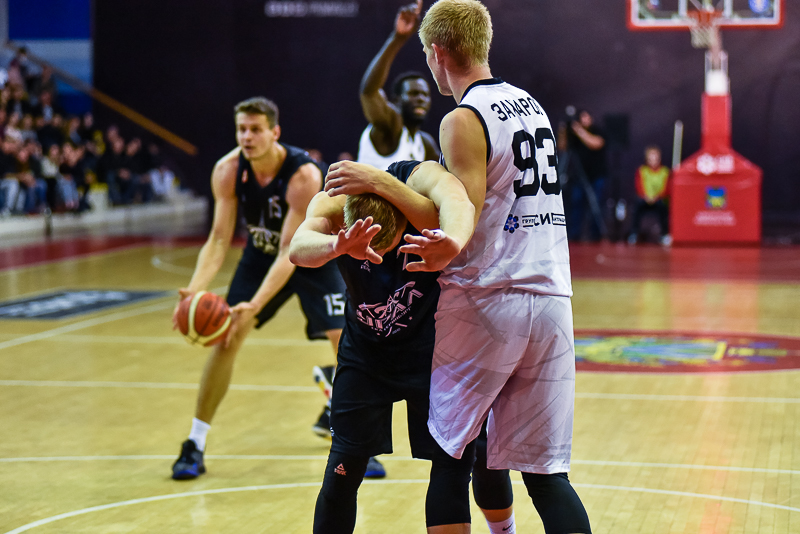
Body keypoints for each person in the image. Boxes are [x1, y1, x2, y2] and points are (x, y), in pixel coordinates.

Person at [335, 1, 593, 532]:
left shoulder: (462, 118)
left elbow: (461, 214)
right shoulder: (531, 106)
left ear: (437, 52)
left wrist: (380, 181)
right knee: (547, 477)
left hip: (488, 299)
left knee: (450, 460)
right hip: (551, 302)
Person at [291, 158, 515, 534]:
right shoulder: (336, 203)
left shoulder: (421, 179)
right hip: (366, 353)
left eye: (387, 247)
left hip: (434, 353)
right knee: (343, 470)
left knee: (471, 459)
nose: (378, 259)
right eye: (368, 251)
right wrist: (335, 245)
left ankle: (504, 530)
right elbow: (298, 247)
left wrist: (453, 241)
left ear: (402, 217)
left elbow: (459, 202)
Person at [169, 97, 345, 480]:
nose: (247, 137)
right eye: (241, 130)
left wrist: (255, 303)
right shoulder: (228, 170)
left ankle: (356, 444)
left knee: (343, 341)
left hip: (311, 253)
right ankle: (195, 443)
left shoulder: (303, 175)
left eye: (255, 130)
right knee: (227, 336)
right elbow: (219, 239)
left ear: (274, 132)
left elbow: (290, 250)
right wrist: (194, 290)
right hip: (262, 255)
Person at [357, 0, 439, 168]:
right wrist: (397, 38)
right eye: (414, 94)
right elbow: (369, 92)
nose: (421, 99)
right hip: (366, 188)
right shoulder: (389, 126)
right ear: (396, 100)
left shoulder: (424, 143)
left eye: (425, 95)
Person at [563, 109, 607, 241]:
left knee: (596, 205)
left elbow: (596, 144)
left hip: (596, 175)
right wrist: (563, 131)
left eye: (586, 117)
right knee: (576, 204)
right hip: (579, 176)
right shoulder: (574, 136)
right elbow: (562, 147)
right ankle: (574, 234)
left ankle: (596, 235)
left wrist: (579, 131)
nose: (584, 120)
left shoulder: (597, 131)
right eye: (581, 118)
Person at [628, 145, 671, 246]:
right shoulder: (642, 170)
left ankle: (664, 234)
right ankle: (634, 233)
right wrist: (646, 196)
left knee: (664, 207)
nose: (653, 161)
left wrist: (657, 197)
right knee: (637, 205)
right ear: (647, 159)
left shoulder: (665, 171)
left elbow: (667, 189)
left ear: (659, 159)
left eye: (656, 158)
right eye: (651, 159)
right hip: (645, 199)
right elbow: (639, 187)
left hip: (659, 200)